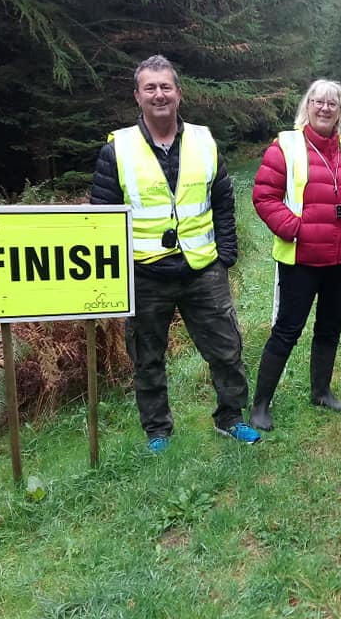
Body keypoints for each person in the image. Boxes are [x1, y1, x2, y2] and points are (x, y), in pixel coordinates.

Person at [90, 55, 260, 450]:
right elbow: (103, 219)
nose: (159, 94)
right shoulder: (117, 150)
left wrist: (226, 254)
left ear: (179, 94)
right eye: (150, 87)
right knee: (147, 359)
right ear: (137, 96)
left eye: (166, 86)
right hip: (145, 273)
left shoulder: (204, 140)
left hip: (202, 269)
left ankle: (231, 418)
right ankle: (158, 432)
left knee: (227, 348)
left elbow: (222, 198)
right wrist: (116, 279)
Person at [250, 79, 341, 430]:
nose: (325, 108)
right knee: (287, 330)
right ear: (306, 106)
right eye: (318, 101)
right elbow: (264, 196)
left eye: (332, 103)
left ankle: (321, 391)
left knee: (330, 327)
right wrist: (295, 228)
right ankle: (261, 404)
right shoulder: (285, 146)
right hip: (300, 260)